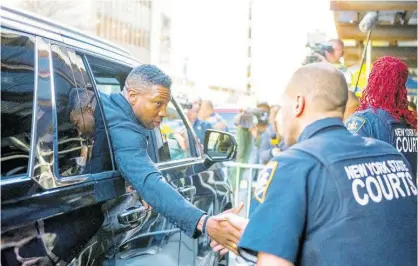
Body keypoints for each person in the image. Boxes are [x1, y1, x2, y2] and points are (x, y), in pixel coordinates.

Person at [211, 62, 417, 266]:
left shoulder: (294, 165)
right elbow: (352, 237)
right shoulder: (392, 156)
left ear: (299, 104)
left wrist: (261, 243)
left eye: (283, 106)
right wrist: (256, 235)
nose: (279, 118)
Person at [100, 64, 242, 252]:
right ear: (133, 96)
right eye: (158, 103)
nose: (164, 112)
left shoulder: (105, 105)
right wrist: (204, 222)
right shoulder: (125, 128)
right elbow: (149, 180)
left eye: (166, 105)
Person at [345, 56, 417, 176]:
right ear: (403, 86)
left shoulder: (364, 120)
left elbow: (346, 164)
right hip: (409, 192)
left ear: (374, 80)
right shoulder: (409, 124)